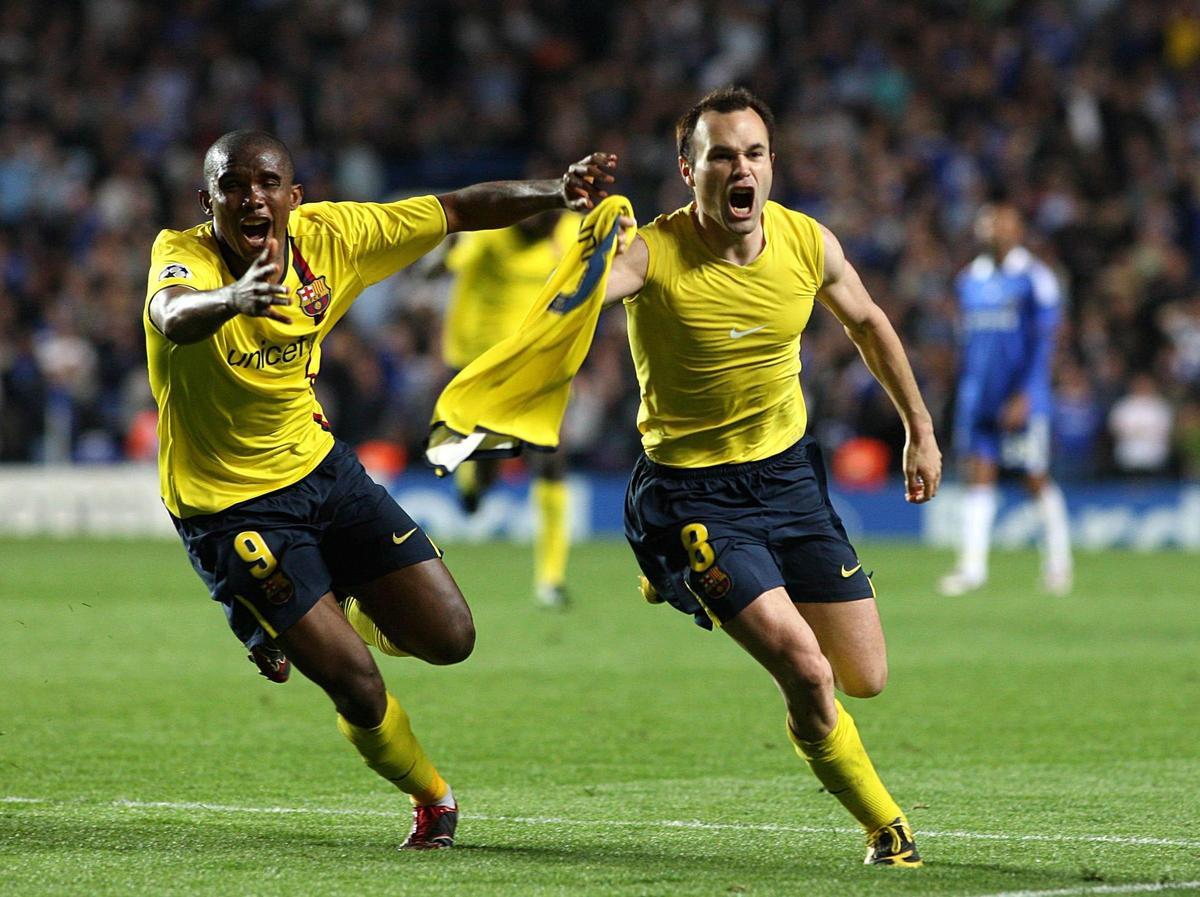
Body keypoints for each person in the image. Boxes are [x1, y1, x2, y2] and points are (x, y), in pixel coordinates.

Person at [144, 129, 615, 850]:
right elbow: (169, 315)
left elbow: (458, 208)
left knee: (451, 637)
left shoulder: (337, 236)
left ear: (293, 197)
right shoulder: (182, 254)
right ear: (205, 201)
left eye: (267, 182)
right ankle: (433, 798)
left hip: (322, 470)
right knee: (358, 685)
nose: (251, 197)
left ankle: (320, 611)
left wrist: (558, 191)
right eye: (232, 185)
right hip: (227, 505)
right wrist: (233, 297)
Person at [600, 88, 942, 867]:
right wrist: (583, 258)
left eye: (752, 153)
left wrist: (919, 428)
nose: (739, 167)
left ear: (771, 165)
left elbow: (868, 323)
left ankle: (671, 579)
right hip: (694, 493)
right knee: (806, 666)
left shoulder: (807, 243)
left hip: (788, 479)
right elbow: (570, 304)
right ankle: (886, 826)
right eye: (720, 154)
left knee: (866, 676)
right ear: (689, 171)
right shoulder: (650, 252)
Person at [441, 210, 580, 607]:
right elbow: (448, 264)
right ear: (526, 219)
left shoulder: (568, 230)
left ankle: (551, 580)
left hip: (537, 365)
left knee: (552, 458)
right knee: (489, 469)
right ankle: (472, 484)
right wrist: (444, 251)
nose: (552, 229)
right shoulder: (489, 235)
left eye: (557, 223)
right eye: (545, 223)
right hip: (480, 364)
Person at [938, 203, 1073, 597]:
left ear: (1017, 230)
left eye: (1000, 222)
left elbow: (1045, 342)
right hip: (978, 396)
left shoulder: (1035, 278)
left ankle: (1058, 562)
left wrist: (1027, 394)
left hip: (1021, 399)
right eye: (986, 222)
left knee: (1034, 475)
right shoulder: (969, 280)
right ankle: (972, 568)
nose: (991, 228)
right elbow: (967, 343)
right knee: (978, 475)